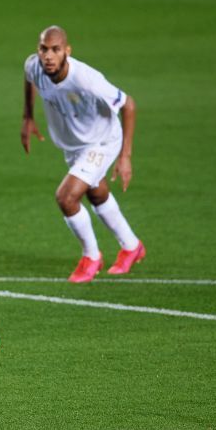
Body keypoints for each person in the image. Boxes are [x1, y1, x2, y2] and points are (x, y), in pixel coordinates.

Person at [21, 25, 145, 283]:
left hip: (102, 141)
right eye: (44, 49)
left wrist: (125, 157)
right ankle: (132, 246)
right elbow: (29, 78)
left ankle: (91, 257)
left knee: (66, 197)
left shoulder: (86, 79)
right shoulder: (34, 66)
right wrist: (28, 116)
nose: (48, 56)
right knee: (96, 191)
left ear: (67, 51)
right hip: (74, 145)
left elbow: (128, 104)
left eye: (55, 50)